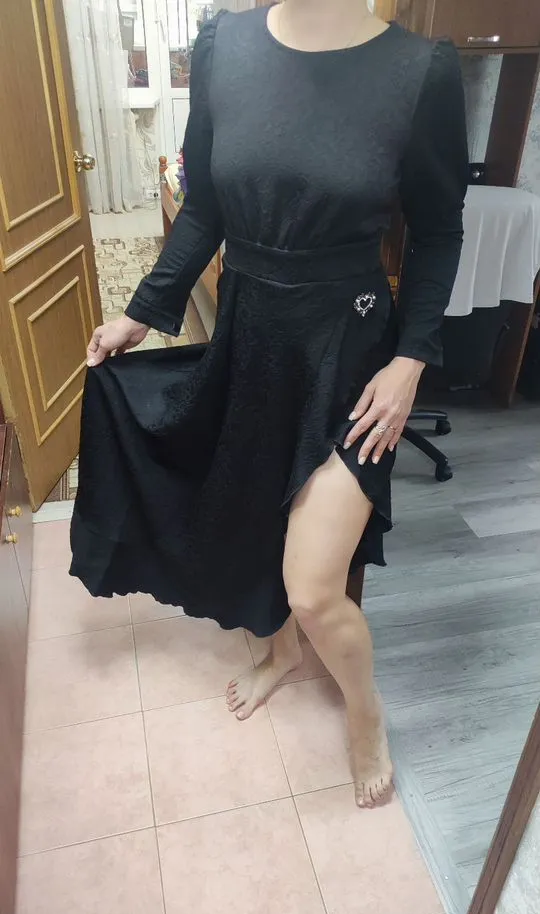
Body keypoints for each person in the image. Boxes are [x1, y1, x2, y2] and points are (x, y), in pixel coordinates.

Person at [71, 0, 468, 808]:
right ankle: (281, 653)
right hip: (251, 337)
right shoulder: (226, 44)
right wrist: (142, 312)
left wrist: (411, 360)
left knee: (315, 586)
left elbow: (439, 231)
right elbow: (206, 209)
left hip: (352, 351)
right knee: (251, 520)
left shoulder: (419, 70)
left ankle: (365, 712)